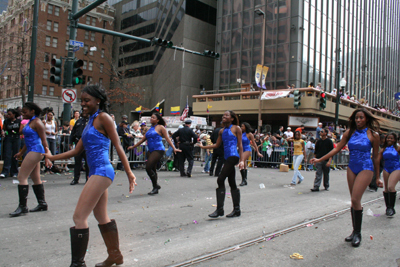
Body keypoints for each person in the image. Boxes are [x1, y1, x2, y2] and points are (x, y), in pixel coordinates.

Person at [44, 85, 136, 267]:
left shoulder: (104, 118)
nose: (83, 104)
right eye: (82, 101)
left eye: (87, 100)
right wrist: (51, 157)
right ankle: (115, 256)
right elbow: (77, 151)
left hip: (102, 170)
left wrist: (129, 173)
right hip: (95, 172)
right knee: (101, 216)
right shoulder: (90, 121)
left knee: (79, 217)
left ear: (98, 101)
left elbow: (118, 146)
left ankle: (78, 264)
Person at [311, 108, 381, 247]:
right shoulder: (350, 133)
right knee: (353, 201)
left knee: (356, 199)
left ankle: (358, 234)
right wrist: (320, 159)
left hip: (366, 167)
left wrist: (378, 178)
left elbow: (376, 157)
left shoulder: (374, 135)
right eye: (356, 118)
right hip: (352, 167)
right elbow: (337, 149)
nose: (358, 120)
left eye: (361, 117)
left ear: (366, 118)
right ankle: (354, 232)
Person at [10, 102, 52, 217]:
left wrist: (48, 156)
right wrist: (21, 152)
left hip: (36, 150)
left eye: (25, 112)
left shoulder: (38, 123)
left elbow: (44, 141)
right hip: (32, 150)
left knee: (21, 177)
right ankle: (42, 203)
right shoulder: (31, 122)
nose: (22, 114)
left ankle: (23, 207)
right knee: (35, 177)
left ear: (32, 111)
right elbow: (28, 140)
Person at [199, 110, 244, 218]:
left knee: (220, 179)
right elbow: (216, 145)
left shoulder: (236, 128)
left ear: (232, 118)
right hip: (226, 157)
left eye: (226, 115)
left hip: (233, 156)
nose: (224, 116)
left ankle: (219, 210)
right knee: (232, 182)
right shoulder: (221, 131)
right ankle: (237, 210)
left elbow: (240, 145)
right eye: (223, 115)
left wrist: (242, 160)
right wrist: (203, 147)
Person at [129, 113, 180, 194]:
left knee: (148, 167)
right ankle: (155, 187)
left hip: (158, 149)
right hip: (151, 150)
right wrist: (133, 147)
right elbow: (142, 140)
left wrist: (174, 148)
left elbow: (167, 138)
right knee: (153, 169)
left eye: (153, 117)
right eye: (151, 117)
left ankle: (155, 185)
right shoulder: (149, 129)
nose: (151, 119)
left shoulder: (161, 127)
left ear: (158, 120)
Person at [378, 133, 400, 217]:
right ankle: (388, 208)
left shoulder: (398, 148)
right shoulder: (383, 149)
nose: (389, 140)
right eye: (388, 138)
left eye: (391, 138)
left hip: (396, 168)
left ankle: (392, 208)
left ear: (395, 139)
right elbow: (378, 159)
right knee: (386, 189)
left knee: (391, 187)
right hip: (386, 169)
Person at [69, 112, 89, 185]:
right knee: (77, 162)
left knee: (87, 163)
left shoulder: (90, 121)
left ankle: (88, 179)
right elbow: (73, 132)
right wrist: (70, 141)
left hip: (87, 144)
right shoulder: (79, 121)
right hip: (78, 143)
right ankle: (76, 179)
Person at [0, 109, 22, 178]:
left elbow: (20, 130)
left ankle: (14, 172)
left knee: (15, 155)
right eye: (8, 114)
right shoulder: (6, 121)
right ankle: (5, 171)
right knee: (7, 154)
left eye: (10, 114)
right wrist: (4, 133)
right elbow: (4, 128)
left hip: (16, 138)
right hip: (8, 137)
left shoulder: (18, 121)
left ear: (14, 114)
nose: (8, 115)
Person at [44, 110, 58, 174]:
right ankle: (46, 168)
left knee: (53, 153)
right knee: (47, 153)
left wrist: (54, 133)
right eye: (49, 115)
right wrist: (46, 132)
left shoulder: (54, 122)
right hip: (46, 138)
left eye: (51, 115)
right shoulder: (44, 122)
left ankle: (51, 168)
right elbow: (42, 129)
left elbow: (57, 130)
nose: (50, 116)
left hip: (52, 138)